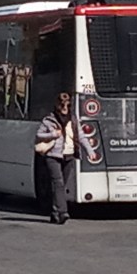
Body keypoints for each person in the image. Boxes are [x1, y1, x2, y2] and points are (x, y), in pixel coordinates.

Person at [35, 92, 97, 225]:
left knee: (61, 185)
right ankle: (63, 212)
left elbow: (80, 137)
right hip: (53, 155)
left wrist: (90, 151)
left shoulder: (73, 120)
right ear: (57, 105)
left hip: (69, 155)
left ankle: (55, 212)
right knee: (58, 182)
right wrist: (53, 134)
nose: (64, 108)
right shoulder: (49, 120)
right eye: (62, 105)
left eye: (67, 105)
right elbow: (39, 134)